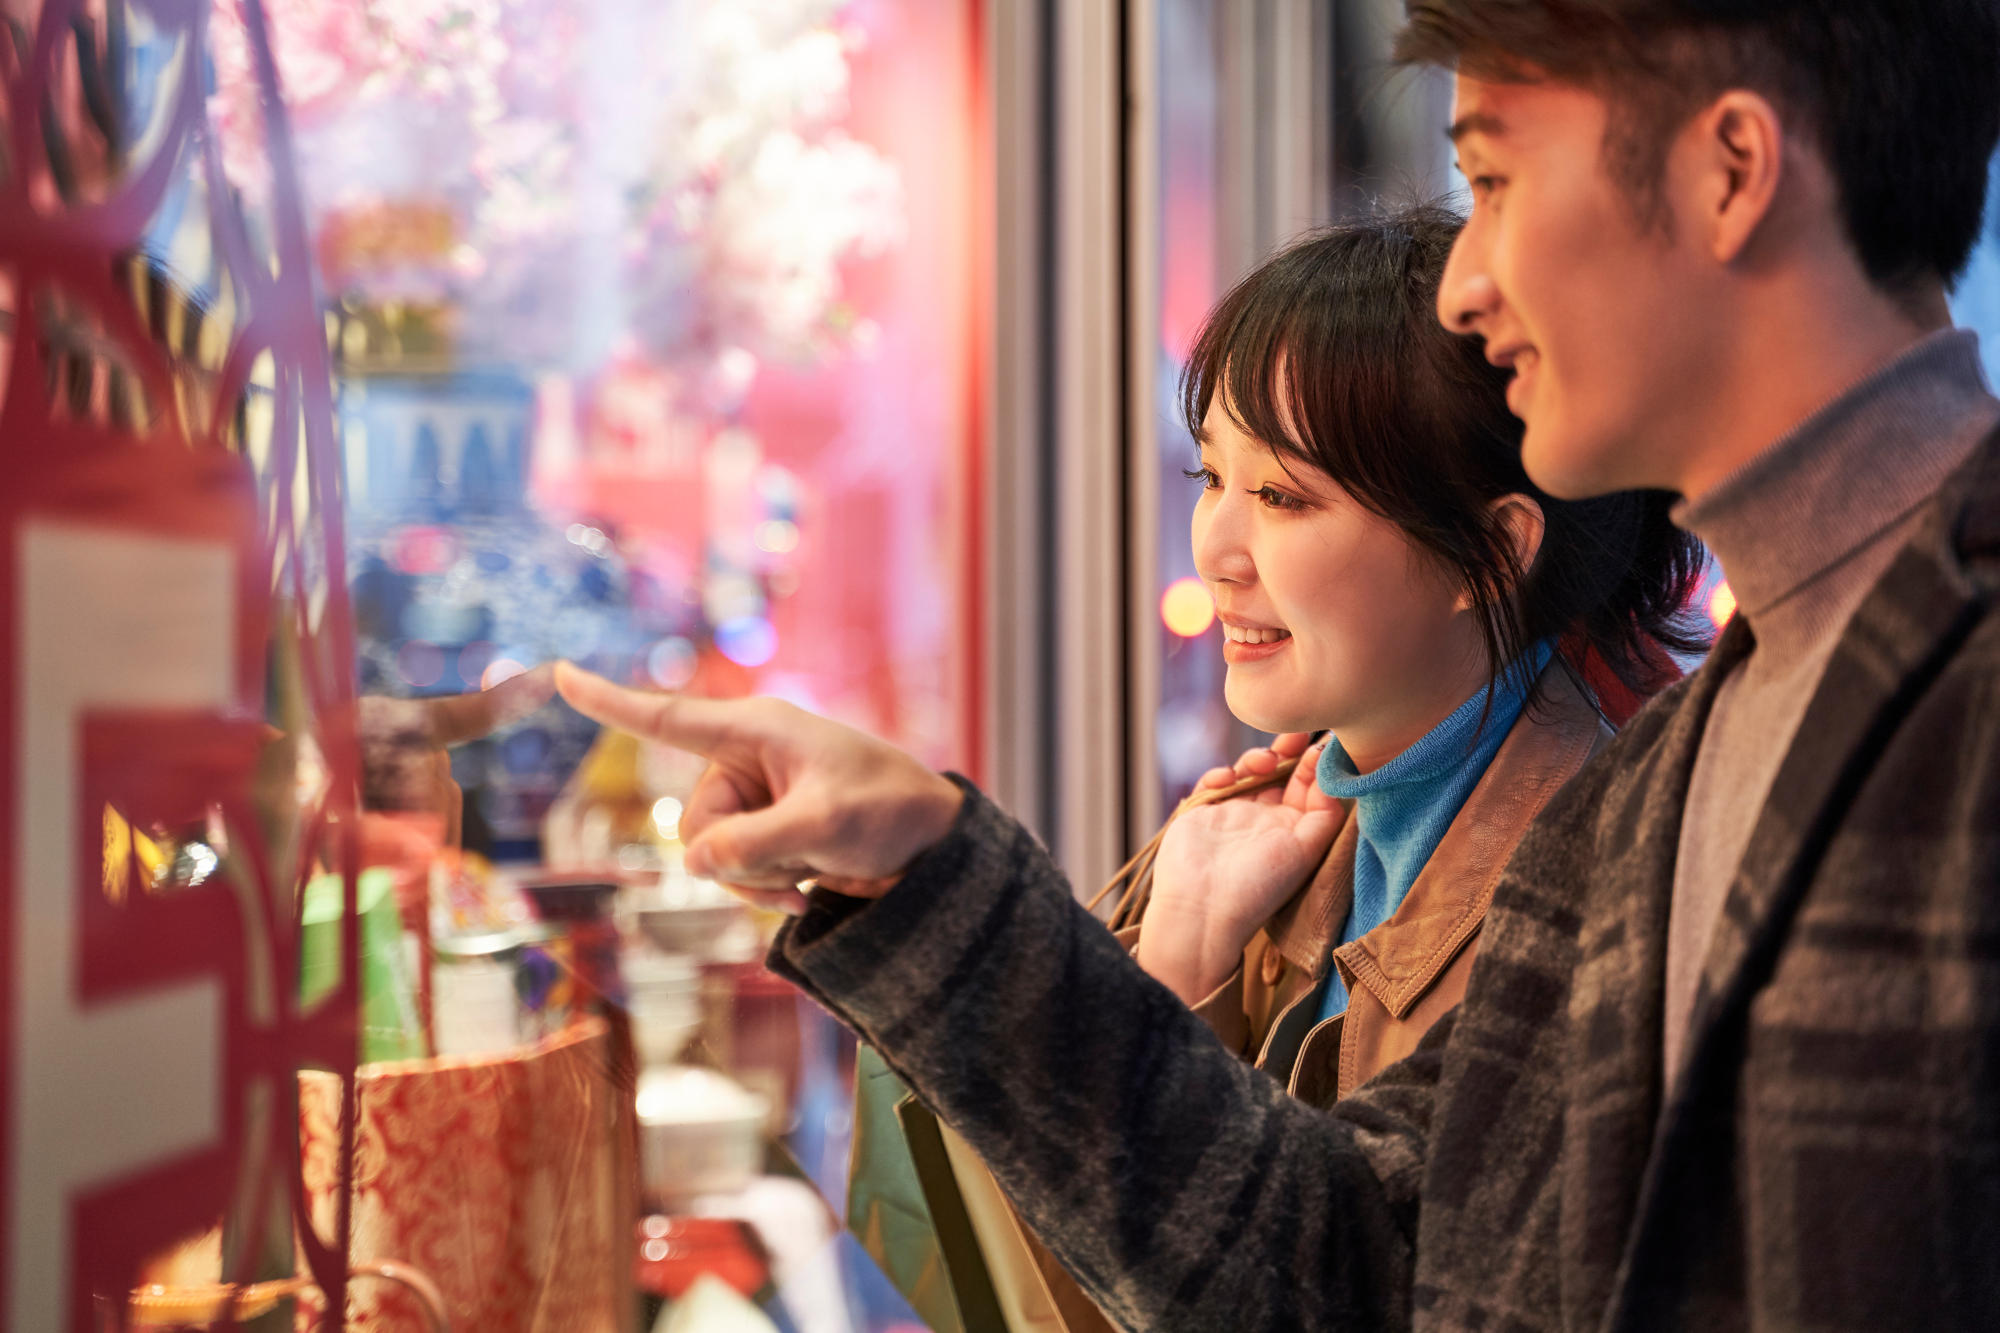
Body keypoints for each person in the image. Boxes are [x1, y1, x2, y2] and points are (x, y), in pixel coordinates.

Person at [558, 0, 2000, 1327]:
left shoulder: (1863, 713)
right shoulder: (1680, 765)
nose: (1466, 286)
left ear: (1730, 171)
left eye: (1495, 180)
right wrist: (922, 866)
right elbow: (1358, 1260)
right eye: (1216, 478)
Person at [860, 207, 1702, 1333]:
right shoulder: (1266, 825)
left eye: (1282, 497)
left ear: (1493, 552)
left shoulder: (1600, 899)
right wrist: (1180, 955)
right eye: (1211, 474)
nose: (1214, 547)